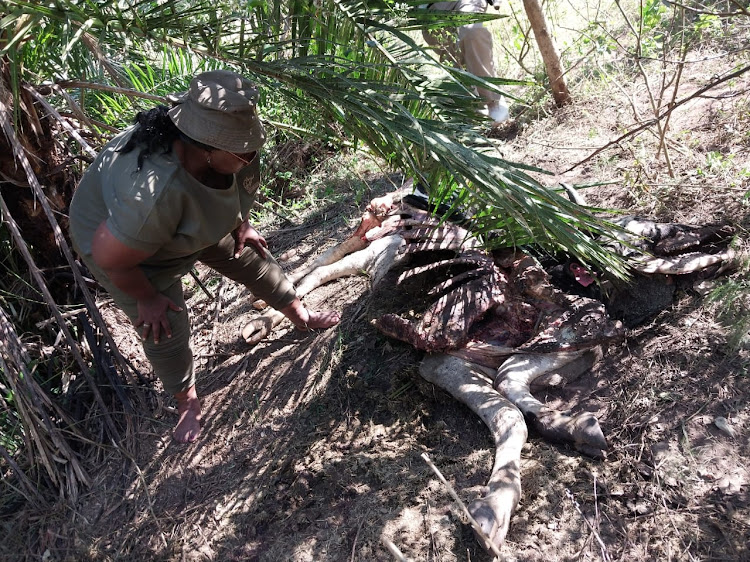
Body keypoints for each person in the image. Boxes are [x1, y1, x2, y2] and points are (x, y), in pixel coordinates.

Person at [68, 70, 340, 443]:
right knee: (164, 327)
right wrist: (146, 297)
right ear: (206, 148)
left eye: (250, 145)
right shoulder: (152, 195)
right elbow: (111, 257)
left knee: (253, 259)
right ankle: (187, 401)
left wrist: (242, 223)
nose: (251, 155)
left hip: (182, 221)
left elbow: (241, 186)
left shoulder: (234, 148)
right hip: (127, 254)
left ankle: (301, 317)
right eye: (241, 151)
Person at [422, 0, 510, 124]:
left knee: (471, 31)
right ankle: (474, 114)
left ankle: (492, 101)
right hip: (430, 10)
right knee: (454, 59)